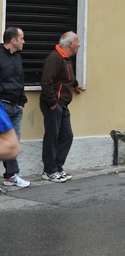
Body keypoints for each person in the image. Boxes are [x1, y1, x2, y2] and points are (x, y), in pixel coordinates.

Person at [40, 31, 84, 182]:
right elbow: (46, 82)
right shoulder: (55, 58)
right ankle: (49, 171)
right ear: (70, 44)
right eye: (77, 42)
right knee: (52, 137)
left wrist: (76, 84)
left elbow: (67, 77)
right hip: (54, 104)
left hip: (62, 104)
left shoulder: (65, 59)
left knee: (67, 135)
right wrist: (52, 103)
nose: (79, 44)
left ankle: (58, 167)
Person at [0, 27, 30, 188]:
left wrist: (22, 101)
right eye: (22, 38)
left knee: (12, 144)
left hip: (16, 107)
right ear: (14, 40)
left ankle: (11, 176)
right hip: (2, 105)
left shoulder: (18, 57)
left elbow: (21, 79)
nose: (24, 41)